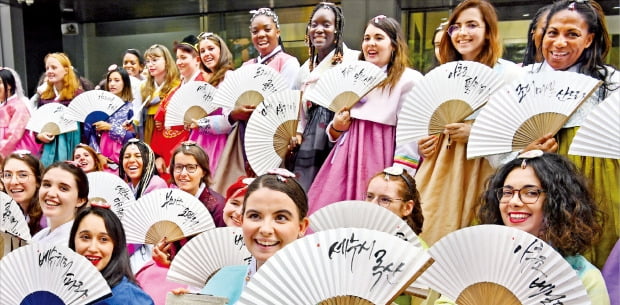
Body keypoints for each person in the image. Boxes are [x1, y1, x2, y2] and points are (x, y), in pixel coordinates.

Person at [414, 0, 522, 246]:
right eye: (456, 27)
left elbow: (518, 135)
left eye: (472, 25)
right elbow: (423, 124)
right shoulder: (441, 74)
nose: (462, 33)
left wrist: (476, 133)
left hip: (486, 165)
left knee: (480, 235)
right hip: (441, 165)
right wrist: (424, 144)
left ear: (488, 31)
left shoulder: (510, 75)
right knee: (429, 228)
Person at [521, 0, 618, 269]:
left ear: (589, 40)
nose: (559, 43)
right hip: (534, 179)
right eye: (553, 33)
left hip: (596, 177)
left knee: (593, 250)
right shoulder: (521, 80)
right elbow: (496, 140)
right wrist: (524, 152)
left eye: (572, 34)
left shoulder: (610, 84)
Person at [307, 16, 423, 215]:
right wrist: (336, 126)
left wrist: (399, 176)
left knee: (374, 214)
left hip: (381, 152)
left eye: (379, 38)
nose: (371, 43)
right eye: (367, 38)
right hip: (345, 158)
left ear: (394, 45)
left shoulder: (408, 80)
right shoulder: (351, 76)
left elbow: (409, 134)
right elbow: (335, 133)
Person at [476, 151, 610, 304]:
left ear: (558, 202)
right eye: (507, 192)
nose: (514, 201)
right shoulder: (479, 261)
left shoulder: (584, 277)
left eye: (531, 193)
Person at [172, 169, 309, 304]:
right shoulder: (223, 278)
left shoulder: (317, 291)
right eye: (255, 216)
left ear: (301, 226)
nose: (265, 229)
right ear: (242, 220)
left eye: (280, 217)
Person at [292, 2, 360, 191]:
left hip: (343, 137)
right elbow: (298, 111)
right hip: (310, 141)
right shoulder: (304, 69)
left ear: (337, 29)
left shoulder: (354, 61)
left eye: (326, 25)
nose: (319, 30)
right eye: (314, 24)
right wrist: (297, 132)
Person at [69, 206, 154, 305]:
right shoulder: (63, 288)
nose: (92, 248)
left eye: (104, 239)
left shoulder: (127, 297)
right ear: (73, 240)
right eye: (86, 237)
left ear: (116, 245)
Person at [151, 35, 204, 182]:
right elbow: (159, 125)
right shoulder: (175, 90)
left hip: (190, 155)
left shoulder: (204, 88)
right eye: (177, 58)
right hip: (167, 156)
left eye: (184, 57)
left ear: (197, 59)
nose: (179, 62)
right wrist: (158, 155)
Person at [188, 32, 234, 174]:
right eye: (202, 51)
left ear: (221, 50)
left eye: (211, 48)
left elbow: (230, 119)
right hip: (201, 140)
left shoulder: (229, 76)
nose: (206, 54)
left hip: (220, 142)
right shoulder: (208, 79)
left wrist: (201, 124)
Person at [34, 53, 83, 166]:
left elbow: (86, 128)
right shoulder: (44, 96)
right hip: (48, 145)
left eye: (54, 67)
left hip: (73, 143)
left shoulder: (78, 95)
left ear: (66, 70)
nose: (50, 71)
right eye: (47, 68)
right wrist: (39, 136)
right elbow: (37, 124)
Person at [85, 65, 136, 169]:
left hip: (123, 154)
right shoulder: (99, 106)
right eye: (110, 80)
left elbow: (131, 137)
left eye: (117, 80)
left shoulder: (130, 108)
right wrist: (98, 154)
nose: (112, 84)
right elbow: (90, 132)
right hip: (102, 153)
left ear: (125, 83)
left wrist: (110, 127)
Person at [31, 161, 88, 246]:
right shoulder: (40, 236)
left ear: (80, 200)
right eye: (47, 185)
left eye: (63, 188)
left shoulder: (75, 243)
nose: (51, 193)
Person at [245, 7, 300, 88]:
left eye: (267, 29)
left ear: (277, 32)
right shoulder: (246, 66)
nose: (260, 35)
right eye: (255, 31)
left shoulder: (288, 63)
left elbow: (288, 98)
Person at [140, 44, 180, 145]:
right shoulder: (143, 87)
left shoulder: (177, 85)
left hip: (169, 132)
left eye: (154, 60)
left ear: (166, 61)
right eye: (148, 61)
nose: (150, 65)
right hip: (149, 130)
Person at [1, 151, 45, 235]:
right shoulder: (10, 212)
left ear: (38, 180)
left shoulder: (46, 220)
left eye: (23, 175)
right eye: (7, 175)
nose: (13, 182)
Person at [0, 68, 31, 158]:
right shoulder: (3, 105)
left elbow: (14, 135)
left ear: (9, 85)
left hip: (10, 154)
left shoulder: (18, 106)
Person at [122, 49, 146, 134]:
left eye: (132, 63)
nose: (128, 66)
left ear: (141, 66)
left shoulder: (147, 85)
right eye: (125, 63)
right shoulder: (118, 84)